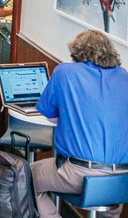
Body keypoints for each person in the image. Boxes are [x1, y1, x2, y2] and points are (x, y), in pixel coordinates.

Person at [31, 30, 128, 218]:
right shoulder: (124, 77)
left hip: (80, 172)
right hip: (123, 176)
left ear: (77, 55)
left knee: (26, 176)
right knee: (111, 199)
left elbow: (50, 116)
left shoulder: (65, 72)